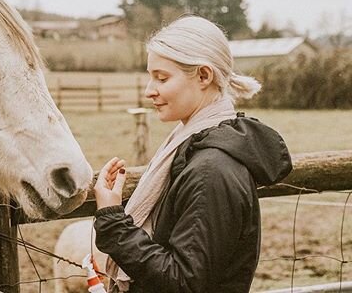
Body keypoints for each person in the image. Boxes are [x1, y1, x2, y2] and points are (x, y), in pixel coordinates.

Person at [92, 16, 292, 293]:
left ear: (203, 76)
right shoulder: (193, 149)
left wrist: (113, 222)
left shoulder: (211, 170)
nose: (150, 90)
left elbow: (185, 283)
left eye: (161, 78)